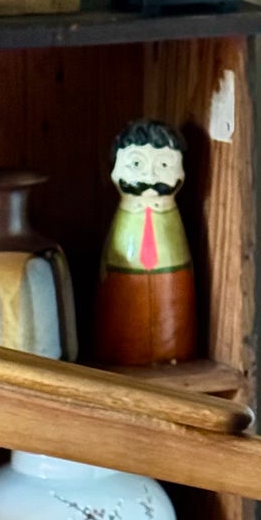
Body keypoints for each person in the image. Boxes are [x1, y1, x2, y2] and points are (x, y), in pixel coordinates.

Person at [94, 118, 197, 366]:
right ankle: (120, 350)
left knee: (174, 301)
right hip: (124, 278)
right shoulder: (123, 220)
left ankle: (175, 349)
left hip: (172, 275)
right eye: (137, 163)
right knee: (123, 304)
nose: (150, 176)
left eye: (164, 164)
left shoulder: (173, 221)